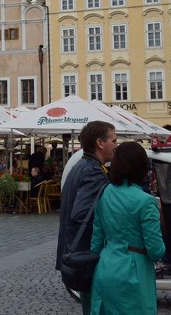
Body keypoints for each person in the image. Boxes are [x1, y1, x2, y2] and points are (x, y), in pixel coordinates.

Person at [88, 141, 165, 315]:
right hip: (134, 269)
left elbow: (96, 239)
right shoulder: (145, 201)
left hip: (106, 265)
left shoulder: (105, 193)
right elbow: (155, 250)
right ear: (141, 167)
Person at [57, 121, 117, 314]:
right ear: (100, 143)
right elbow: (82, 214)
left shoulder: (80, 166)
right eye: (113, 140)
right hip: (86, 254)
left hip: (75, 251)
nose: (116, 145)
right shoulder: (93, 172)